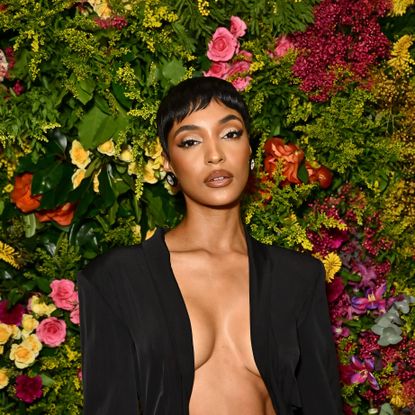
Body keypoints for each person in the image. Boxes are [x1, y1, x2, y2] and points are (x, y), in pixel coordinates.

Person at [78, 76, 343, 415]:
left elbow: (323, 405)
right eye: (190, 142)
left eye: (230, 134)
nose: (215, 155)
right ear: (168, 163)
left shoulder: (299, 278)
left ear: (250, 148)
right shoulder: (115, 280)